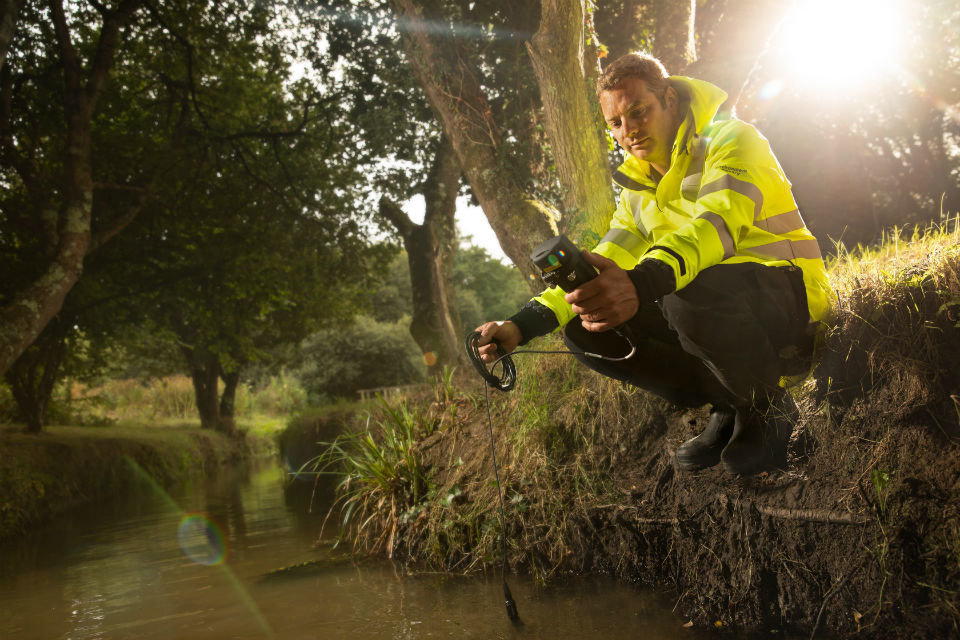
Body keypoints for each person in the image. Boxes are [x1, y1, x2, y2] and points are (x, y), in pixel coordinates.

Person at [475, 52, 833, 476]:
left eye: (638, 112)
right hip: (715, 304)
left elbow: (714, 226)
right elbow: (605, 261)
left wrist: (644, 282)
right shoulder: (637, 191)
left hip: (789, 302)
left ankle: (766, 407)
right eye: (615, 124)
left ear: (670, 100)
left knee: (683, 291)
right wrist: (521, 325)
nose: (628, 132)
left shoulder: (733, 139)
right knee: (588, 327)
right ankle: (729, 399)